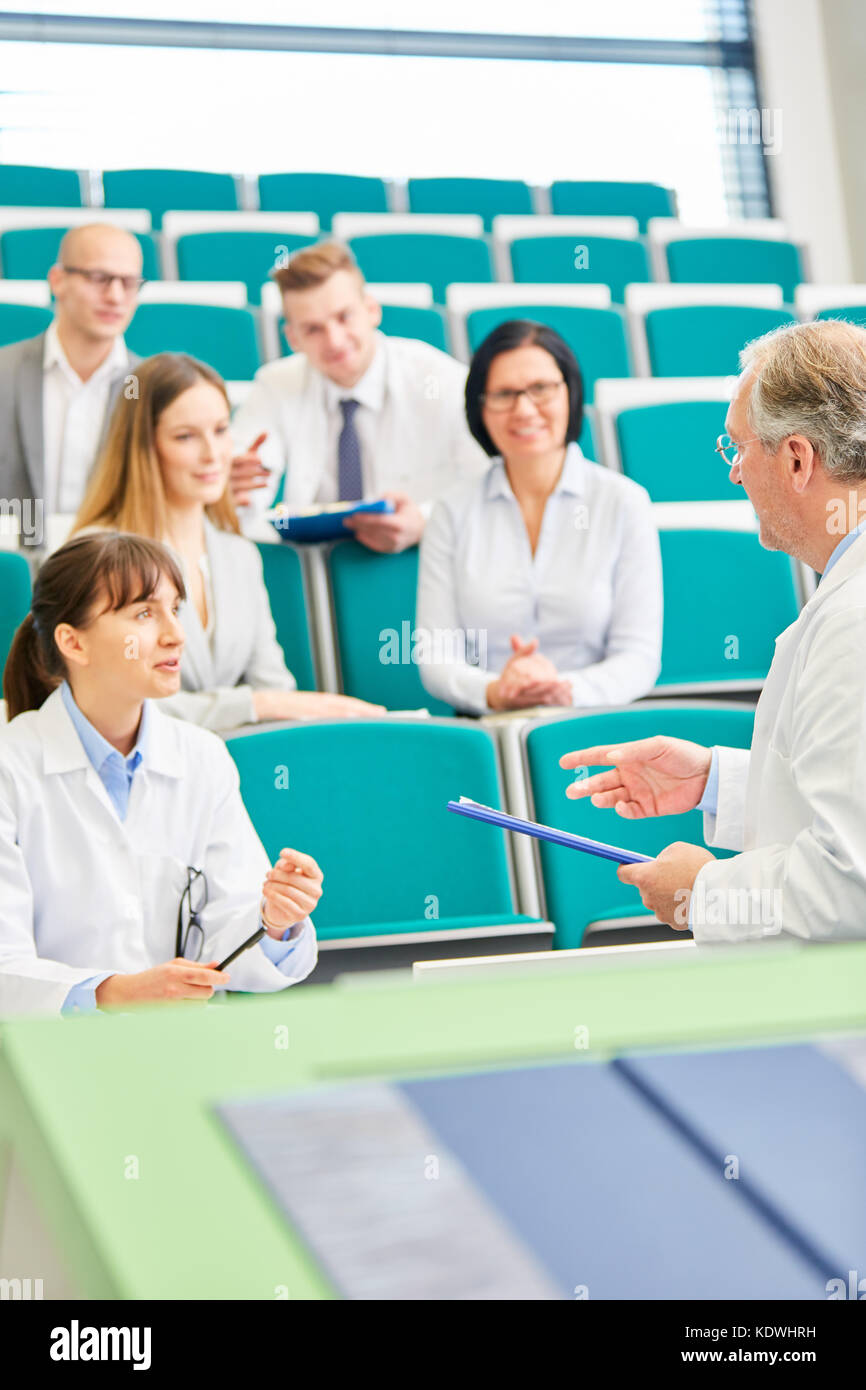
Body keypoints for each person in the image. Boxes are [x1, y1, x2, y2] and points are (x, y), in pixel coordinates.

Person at [561, 319, 866, 943]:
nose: (734, 474)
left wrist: (701, 892)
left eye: (740, 448)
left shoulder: (853, 619)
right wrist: (713, 782)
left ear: (798, 459)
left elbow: (847, 888)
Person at [0, 531, 322, 1018]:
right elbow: (7, 968)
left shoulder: (202, 757)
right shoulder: (11, 765)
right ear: (72, 641)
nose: (175, 634)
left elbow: (229, 939)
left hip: (177, 1050)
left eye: (176, 609)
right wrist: (111, 993)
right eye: (144, 614)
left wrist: (273, 922)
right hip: (45, 1060)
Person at [74, 352, 384, 732]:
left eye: (221, 430)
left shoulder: (238, 554)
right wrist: (255, 704)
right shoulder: (97, 556)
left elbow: (275, 688)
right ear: (142, 447)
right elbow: (108, 702)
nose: (213, 454)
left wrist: (292, 710)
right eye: (186, 436)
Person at [415, 320, 663, 714]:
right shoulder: (451, 510)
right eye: (503, 394)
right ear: (480, 407)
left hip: (593, 720)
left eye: (541, 389)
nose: (524, 409)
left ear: (571, 392)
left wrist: (564, 688)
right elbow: (436, 655)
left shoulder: (624, 502)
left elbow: (638, 656)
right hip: (487, 725)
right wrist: (495, 690)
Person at [230, 240, 488, 552]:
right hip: (319, 567)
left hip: (426, 558)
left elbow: (488, 484)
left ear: (372, 311)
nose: (335, 341)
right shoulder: (274, 386)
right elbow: (248, 484)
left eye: (344, 317)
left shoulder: (442, 380)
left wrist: (424, 520)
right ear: (292, 338)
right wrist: (233, 492)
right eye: (313, 329)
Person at [0, 224, 144, 539]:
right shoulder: (4, 370)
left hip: (112, 573)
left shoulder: (150, 386)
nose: (115, 295)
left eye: (129, 282)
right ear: (58, 280)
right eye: (98, 278)